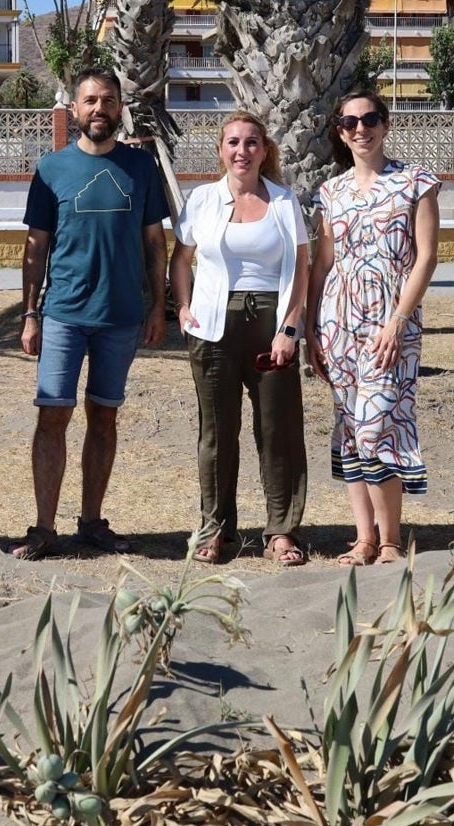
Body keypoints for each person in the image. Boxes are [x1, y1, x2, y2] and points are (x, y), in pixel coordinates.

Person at [10, 66, 169, 560]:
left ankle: (92, 522)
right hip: (62, 315)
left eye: (108, 100)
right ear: (75, 109)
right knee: (53, 415)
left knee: (104, 417)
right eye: (90, 101)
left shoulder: (141, 168)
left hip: (120, 317)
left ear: (120, 107)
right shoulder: (51, 169)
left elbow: (154, 243)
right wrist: (31, 315)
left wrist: (158, 306)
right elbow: (36, 248)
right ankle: (42, 527)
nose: (99, 109)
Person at [169, 111, 310, 566]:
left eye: (251, 143)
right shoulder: (203, 200)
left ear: (264, 150)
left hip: (271, 324)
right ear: (220, 151)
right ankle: (215, 530)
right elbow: (181, 259)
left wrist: (289, 329)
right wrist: (184, 309)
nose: (242, 151)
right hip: (213, 327)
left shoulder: (286, 202)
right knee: (217, 431)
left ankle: (281, 531)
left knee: (278, 429)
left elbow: (301, 268)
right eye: (233, 142)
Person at [306, 90, 441, 566]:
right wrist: (309, 330)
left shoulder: (415, 182)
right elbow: (321, 264)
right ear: (339, 132)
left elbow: (426, 258)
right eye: (349, 122)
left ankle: (389, 540)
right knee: (349, 425)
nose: (360, 129)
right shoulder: (332, 191)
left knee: (376, 425)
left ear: (385, 124)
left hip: (391, 323)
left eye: (369, 119)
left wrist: (399, 320)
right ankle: (364, 539)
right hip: (337, 323)